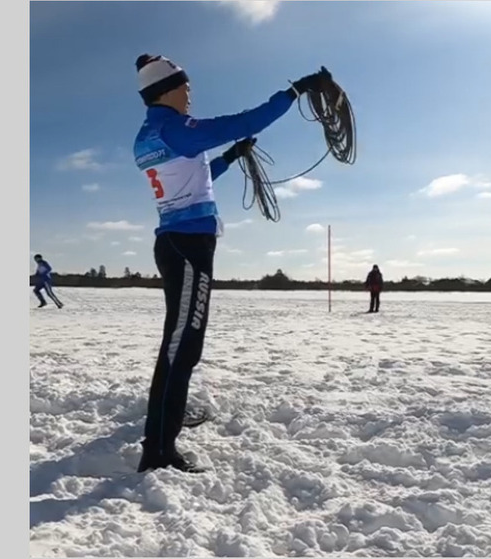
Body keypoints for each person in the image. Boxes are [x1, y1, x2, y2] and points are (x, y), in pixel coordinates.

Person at [132, 53, 328, 473]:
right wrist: (293, 92)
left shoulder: (156, 133)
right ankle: (159, 450)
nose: (190, 93)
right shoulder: (175, 128)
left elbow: (195, 179)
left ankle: (164, 423)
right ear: (166, 89)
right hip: (188, 247)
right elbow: (242, 121)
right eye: (185, 86)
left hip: (178, 242)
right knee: (182, 348)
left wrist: (232, 158)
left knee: (178, 345)